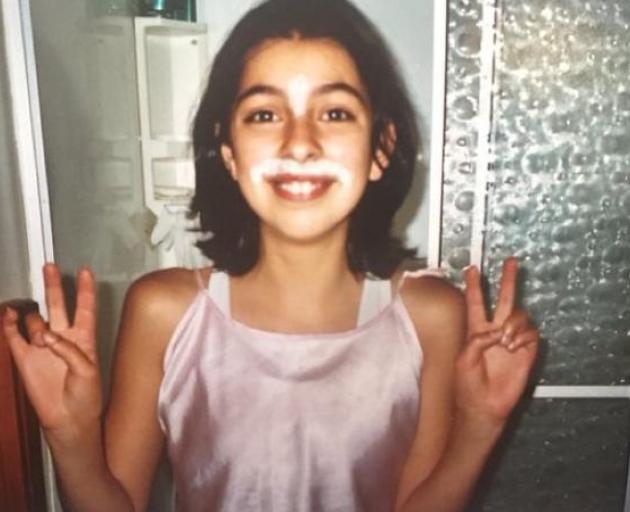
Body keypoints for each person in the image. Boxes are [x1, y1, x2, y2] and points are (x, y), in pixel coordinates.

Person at [1, 0, 539, 511]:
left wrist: (479, 425)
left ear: (380, 149)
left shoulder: (432, 318)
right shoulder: (163, 312)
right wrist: (69, 435)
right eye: (264, 115)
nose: (299, 143)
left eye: (334, 112)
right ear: (229, 152)